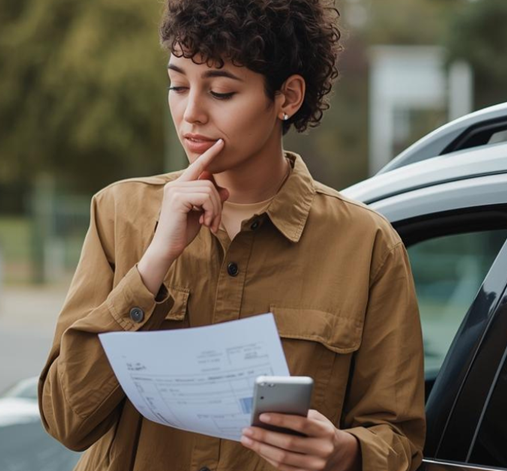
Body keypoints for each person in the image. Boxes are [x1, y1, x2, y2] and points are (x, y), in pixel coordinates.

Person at [37, 0, 426, 470]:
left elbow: (399, 438)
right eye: (178, 85)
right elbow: (65, 420)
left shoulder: (367, 246)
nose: (191, 113)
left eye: (220, 91)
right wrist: (154, 264)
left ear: (288, 97)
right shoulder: (119, 213)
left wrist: (346, 452)